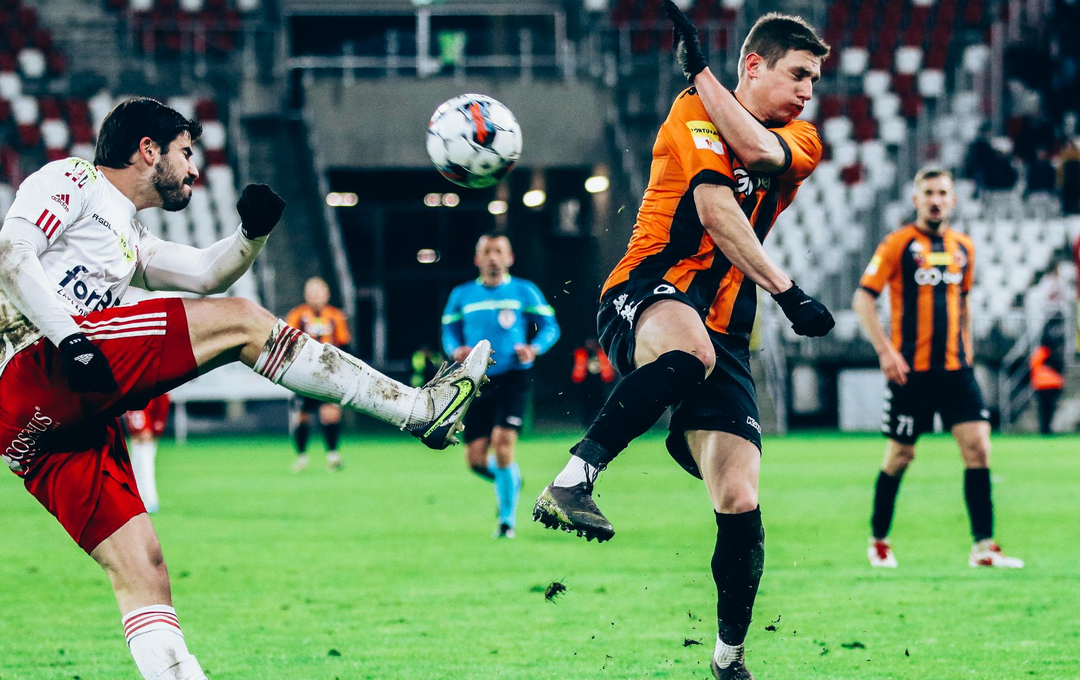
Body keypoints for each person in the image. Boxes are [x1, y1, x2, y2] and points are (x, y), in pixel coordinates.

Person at [0, 97, 492, 680]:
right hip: (39, 361)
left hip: (34, 428)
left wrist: (250, 234)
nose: (194, 169)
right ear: (148, 150)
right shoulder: (74, 179)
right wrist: (71, 340)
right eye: (186, 153)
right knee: (241, 322)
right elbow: (10, 254)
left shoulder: (128, 232)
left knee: (143, 570)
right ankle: (419, 409)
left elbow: (205, 273)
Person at [534, 6, 835, 678]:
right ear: (753, 65)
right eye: (798, 74)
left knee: (740, 498)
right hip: (647, 288)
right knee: (689, 353)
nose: (808, 91)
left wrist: (700, 67)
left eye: (814, 80)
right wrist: (788, 293)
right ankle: (572, 482)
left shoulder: (803, 138)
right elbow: (714, 208)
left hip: (725, 329)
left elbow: (762, 154)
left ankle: (729, 658)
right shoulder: (690, 111)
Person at [852, 167, 1023, 571]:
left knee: (978, 447)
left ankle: (983, 547)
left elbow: (963, 303)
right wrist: (885, 352)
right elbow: (863, 299)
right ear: (916, 199)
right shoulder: (898, 244)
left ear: (953, 200)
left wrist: (968, 350)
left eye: (942, 193)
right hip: (911, 372)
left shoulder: (964, 247)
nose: (935, 200)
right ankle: (879, 541)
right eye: (928, 192)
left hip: (956, 371)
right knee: (901, 454)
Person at [441, 234, 560, 538]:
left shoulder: (524, 290)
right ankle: (511, 480)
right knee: (476, 460)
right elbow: (448, 331)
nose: (492, 257)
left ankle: (506, 522)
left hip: (513, 377)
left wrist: (534, 348)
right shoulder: (462, 295)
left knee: (502, 443)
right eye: (486, 251)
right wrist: (455, 349)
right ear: (477, 259)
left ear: (509, 258)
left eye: (498, 251)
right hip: (476, 381)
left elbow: (551, 327)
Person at [285, 276, 351, 472]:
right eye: (312, 293)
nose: (316, 297)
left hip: (329, 375)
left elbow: (345, 345)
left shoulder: (335, 316)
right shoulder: (297, 315)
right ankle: (301, 456)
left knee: (330, 413)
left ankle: (332, 455)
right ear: (306, 295)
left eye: (319, 292)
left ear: (326, 294)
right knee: (302, 416)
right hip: (304, 375)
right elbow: (289, 343)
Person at [122, 394, 171, 514]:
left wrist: (155, 427)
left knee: (146, 469)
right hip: (137, 435)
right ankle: (138, 499)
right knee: (136, 470)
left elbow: (162, 402)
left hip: (145, 435)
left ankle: (150, 500)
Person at [1030, 314, 1066, 435]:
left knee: (1044, 409)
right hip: (1052, 385)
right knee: (1049, 409)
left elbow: (1033, 368)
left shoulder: (1039, 354)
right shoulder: (1053, 354)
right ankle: (1047, 428)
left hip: (1042, 385)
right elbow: (1060, 368)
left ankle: (1044, 428)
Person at [570, 338, 615, 427]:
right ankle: (587, 423)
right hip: (586, 383)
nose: (591, 345)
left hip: (600, 384)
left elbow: (608, 370)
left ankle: (600, 422)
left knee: (600, 404)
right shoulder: (581, 353)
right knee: (587, 404)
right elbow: (577, 369)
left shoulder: (601, 353)